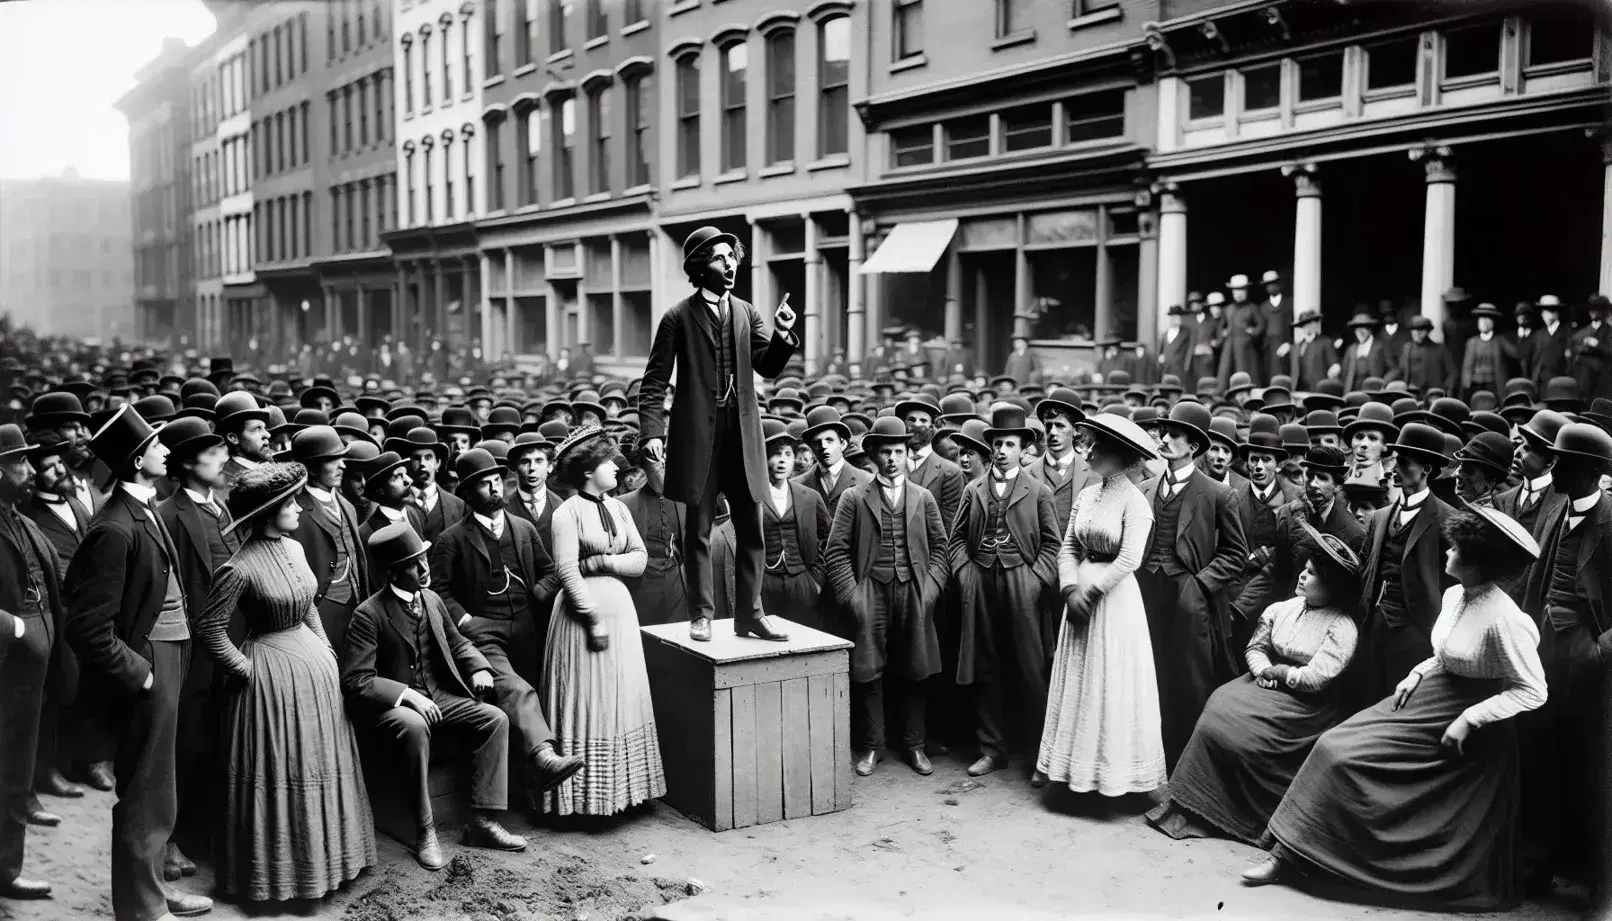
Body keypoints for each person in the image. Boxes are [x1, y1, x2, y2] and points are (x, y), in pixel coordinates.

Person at [1244, 505, 1546, 912]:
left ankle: (1313, 859)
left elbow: (1532, 690)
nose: (1446, 553)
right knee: (1334, 743)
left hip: (1468, 720)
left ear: (1478, 562)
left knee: (1342, 758)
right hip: (1429, 694)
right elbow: (1447, 652)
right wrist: (1418, 673)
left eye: (1455, 548)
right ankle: (1287, 851)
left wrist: (1468, 719)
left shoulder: (1506, 620)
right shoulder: (1457, 594)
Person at [193, 463, 376, 901]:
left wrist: (325, 649)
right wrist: (248, 670)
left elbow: (308, 601)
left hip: (314, 673)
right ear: (269, 511)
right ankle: (283, 879)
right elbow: (210, 629)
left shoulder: (294, 548)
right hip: (270, 681)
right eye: (290, 503)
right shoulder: (239, 568)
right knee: (284, 768)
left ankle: (334, 862)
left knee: (321, 763)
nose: (297, 508)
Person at [63, 406, 213, 919]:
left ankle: (152, 888)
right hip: (147, 666)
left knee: (159, 786)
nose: (165, 449)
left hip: (168, 657)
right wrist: (142, 673)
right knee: (143, 791)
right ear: (135, 460)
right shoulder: (114, 529)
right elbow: (86, 627)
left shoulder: (143, 508)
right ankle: (142, 907)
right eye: (154, 443)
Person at [1147, 523, 1362, 844]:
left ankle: (1229, 812)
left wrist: (1283, 676)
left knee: (1242, 731)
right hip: (1264, 681)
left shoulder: (1342, 627)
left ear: (1332, 586)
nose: (1302, 577)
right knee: (1218, 706)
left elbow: (1319, 676)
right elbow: (1257, 647)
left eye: (1313, 574)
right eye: (1304, 570)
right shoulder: (1283, 608)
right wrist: (1263, 670)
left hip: (1306, 703)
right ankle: (1190, 801)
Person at [636, 226, 799, 644]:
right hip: (698, 440)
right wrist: (652, 432)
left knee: (752, 529)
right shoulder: (676, 317)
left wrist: (782, 336)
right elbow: (654, 382)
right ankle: (703, 614)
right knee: (699, 531)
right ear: (698, 267)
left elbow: (767, 366)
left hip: (743, 436)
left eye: (732, 257)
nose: (729, 265)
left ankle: (751, 614)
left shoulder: (747, 312)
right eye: (718, 258)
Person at [343, 522, 527, 871]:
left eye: (424, 559)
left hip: (438, 695)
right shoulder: (368, 615)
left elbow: (457, 642)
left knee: (495, 718)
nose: (425, 569)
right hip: (392, 711)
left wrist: (477, 666)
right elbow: (356, 680)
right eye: (415, 565)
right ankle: (424, 830)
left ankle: (483, 821)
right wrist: (407, 695)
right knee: (413, 727)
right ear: (392, 573)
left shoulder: (431, 599)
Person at [430, 448, 586, 808]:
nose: (494, 489)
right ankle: (545, 757)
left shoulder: (524, 528)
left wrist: (537, 593)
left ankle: (535, 796)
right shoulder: (451, 539)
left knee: (537, 692)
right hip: (484, 634)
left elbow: (550, 571)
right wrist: (467, 621)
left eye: (497, 481)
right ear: (468, 495)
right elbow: (438, 592)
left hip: (528, 628)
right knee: (515, 690)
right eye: (484, 485)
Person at [1036, 412, 1165, 798]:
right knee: (1079, 679)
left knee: (1109, 682)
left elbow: (1130, 560)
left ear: (1117, 453)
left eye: (1096, 446)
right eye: (1087, 444)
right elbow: (1068, 547)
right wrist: (1069, 589)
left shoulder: (1135, 502)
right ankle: (1070, 774)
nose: (1087, 453)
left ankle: (1110, 778)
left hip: (1114, 603)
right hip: (1077, 598)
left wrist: (1090, 595)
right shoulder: (1087, 495)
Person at [541, 426, 664, 815]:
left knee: (619, 697)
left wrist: (604, 561)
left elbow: (640, 559)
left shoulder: (619, 508)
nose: (616, 468)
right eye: (608, 462)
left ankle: (622, 794)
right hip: (581, 618)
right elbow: (566, 571)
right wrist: (591, 618)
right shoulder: (566, 513)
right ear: (589, 470)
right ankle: (580, 801)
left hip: (621, 612)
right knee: (587, 698)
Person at [823, 417, 949, 777]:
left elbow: (941, 548)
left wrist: (929, 591)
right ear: (874, 456)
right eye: (885, 452)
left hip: (913, 590)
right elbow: (836, 551)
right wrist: (853, 596)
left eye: (898, 451)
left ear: (908, 455)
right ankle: (872, 746)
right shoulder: (854, 496)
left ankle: (914, 745)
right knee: (869, 669)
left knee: (916, 667)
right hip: (870, 591)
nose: (892, 459)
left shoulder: (922, 497)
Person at [950, 405, 1061, 780]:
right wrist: (965, 575)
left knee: (1031, 670)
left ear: (1022, 448)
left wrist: (1033, 581)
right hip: (980, 584)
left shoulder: (1038, 491)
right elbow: (955, 542)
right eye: (996, 444)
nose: (1001, 451)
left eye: (1009, 444)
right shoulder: (973, 489)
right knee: (986, 667)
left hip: (1022, 587)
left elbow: (1053, 546)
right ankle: (991, 749)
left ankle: (1038, 756)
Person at [153, 417, 242, 880]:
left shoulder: (225, 511)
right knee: (183, 748)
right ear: (187, 463)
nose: (224, 457)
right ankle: (170, 841)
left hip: (230, 646)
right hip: (190, 653)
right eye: (213, 452)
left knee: (219, 745)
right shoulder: (166, 514)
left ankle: (207, 835)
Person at [1137, 402, 1249, 770]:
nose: (1164, 440)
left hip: (1190, 601)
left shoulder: (1217, 493)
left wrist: (1199, 585)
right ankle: (1147, 761)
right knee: (1148, 676)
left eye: (1174, 435)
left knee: (1190, 681)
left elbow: (1235, 554)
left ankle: (1188, 766)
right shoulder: (1146, 488)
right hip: (1144, 596)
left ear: (1194, 447)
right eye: (1163, 433)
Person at [0, 425, 62, 901]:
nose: (28, 470)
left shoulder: (20, 519)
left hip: (28, 674)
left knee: (17, 767)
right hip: (5, 664)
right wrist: (17, 630)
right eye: (18, 462)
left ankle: (6, 868)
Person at [1354, 422, 1455, 701]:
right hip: (1373, 625)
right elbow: (1366, 568)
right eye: (1395, 460)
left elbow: (1454, 586)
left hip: (1415, 633)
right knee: (1367, 699)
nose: (1394, 468)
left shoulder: (1448, 520)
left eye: (1404, 462)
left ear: (1427, 470)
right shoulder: (1380, 517)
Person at [289, 426, 370, 654]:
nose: (342, 466)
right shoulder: (296, 510)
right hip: (320, 610)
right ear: (312, 468)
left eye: (342, 458)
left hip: (357, 608)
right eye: (333, 460)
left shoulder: (347, 505)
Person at [757, 421, 830, 631]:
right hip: (764, 584)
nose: (782, 461)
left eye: (788, 454)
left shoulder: (809, 497)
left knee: (802, 636)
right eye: (775, 454)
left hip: (802, 583)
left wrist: (816, 579)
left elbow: (829, 538)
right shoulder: (752, 497)